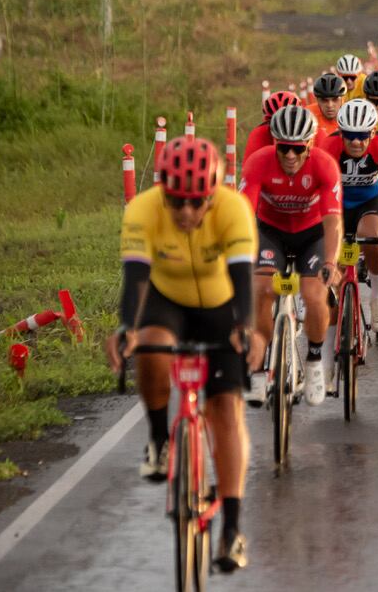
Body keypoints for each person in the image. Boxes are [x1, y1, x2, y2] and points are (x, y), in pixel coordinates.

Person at [110, 136, 257, 571]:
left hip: (220, 304)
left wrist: (244, 330)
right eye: (176, 202)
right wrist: (127, 330)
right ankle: (158, 439)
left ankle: (231, 529)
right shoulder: (143, 209)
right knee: (150, 349)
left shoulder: (233, 208)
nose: (187, 213)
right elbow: (136, 278)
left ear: (213, 194)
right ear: (162, 190)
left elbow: (244, 279)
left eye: (197, 203)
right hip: (166, 300)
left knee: (226, 411)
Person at [239, 105, 342, 408]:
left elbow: (333, 221)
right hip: (272, 232)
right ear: (275, 144)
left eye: (298, 149)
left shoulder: (324, 166)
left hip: (313, 234)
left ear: (309, 144)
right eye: (283, 148)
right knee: (262, 290)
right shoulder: (258, 163)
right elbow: (244, 214)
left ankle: (313, 363)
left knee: (314, 294)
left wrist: (330, 263)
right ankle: (258, 370)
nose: (290, 156)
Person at [318, 99, 378, 336]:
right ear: (341, 132)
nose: (355, 142)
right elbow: (318, 190)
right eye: (350, 135)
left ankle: (377, 297)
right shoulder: (328, 145)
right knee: (336, 266)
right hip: (338, 205)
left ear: (373, 132)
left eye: (362, 135)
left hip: (369, 202)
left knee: (372, 237)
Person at [244, 90, 298, 161]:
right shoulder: (259, 133)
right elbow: (249, 166)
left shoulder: (309, 132)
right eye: (275, 123)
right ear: (268, 121)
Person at [308, 73, 346, 138]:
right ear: (317, 100)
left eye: (335, 99)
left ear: (342, 99)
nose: (330, 105)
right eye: (324, 100)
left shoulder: (351, 116)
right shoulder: (308, 115)